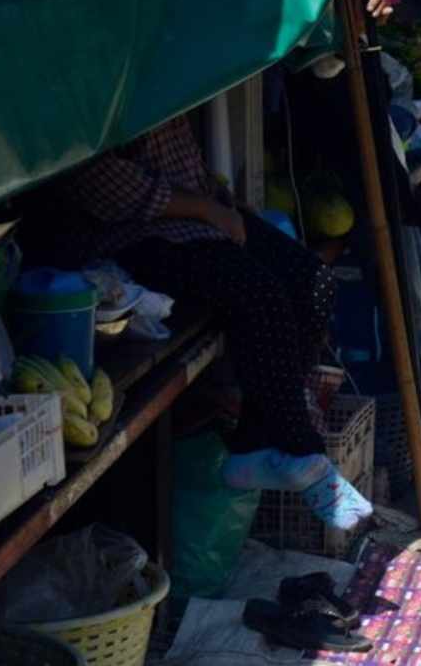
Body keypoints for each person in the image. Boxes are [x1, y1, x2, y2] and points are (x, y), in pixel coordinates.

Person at [40, 114, 370, 528]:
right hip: (133, 234)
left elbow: (182, 159)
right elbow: (101, 185)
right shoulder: (86, 92)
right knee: (259, 294)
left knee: (314, 282)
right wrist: (207, 211)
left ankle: (255, 441)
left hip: (198, 217)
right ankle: (304, 450)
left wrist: (222, 203)